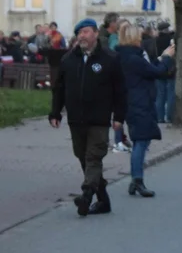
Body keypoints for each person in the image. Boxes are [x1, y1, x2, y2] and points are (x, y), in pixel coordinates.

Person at [49, 18, 127, 217]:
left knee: (94, 156)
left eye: (85, 32)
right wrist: (55, 112)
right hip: (76, 118)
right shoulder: (69, 59)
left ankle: (86, 195)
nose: (81, 36)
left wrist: (119, 116)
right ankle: (103, 200)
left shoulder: (110, 58)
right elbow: (59, 88)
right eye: (79, 33)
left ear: (95, 34)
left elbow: (120, 90)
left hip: (99, 118)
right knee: (82, 157)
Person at [115, 23, 175, 198]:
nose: (142, 40)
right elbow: (157, 72)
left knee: (142, 140)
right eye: (139, 37)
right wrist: (167, 58)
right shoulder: (132, 59)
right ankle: (137, 179)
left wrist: (162, 57)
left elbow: (150, 68)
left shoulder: (129, 56)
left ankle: (136, 178)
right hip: (138, 103)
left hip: (137, 102)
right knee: (141, 141)